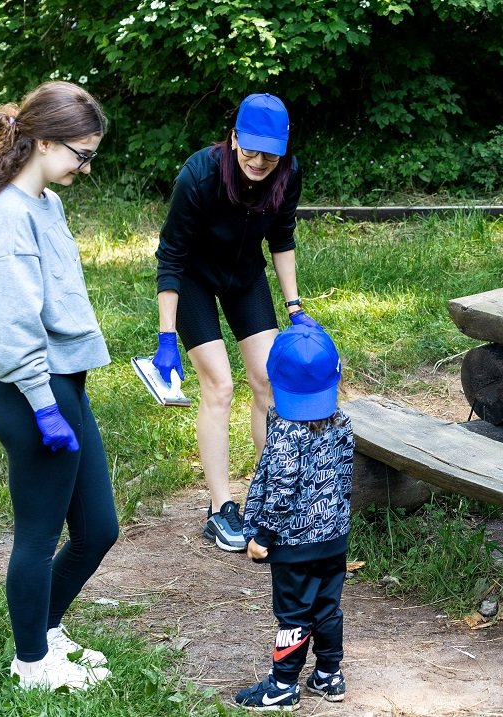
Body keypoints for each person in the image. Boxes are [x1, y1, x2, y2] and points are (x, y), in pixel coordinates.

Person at [0, 81, 117, 691]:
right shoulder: (9, 219)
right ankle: (31, 663)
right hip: (33, 397)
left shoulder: (46, 203)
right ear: (44, 142)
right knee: (39, 536)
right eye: (81, 153)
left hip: (65, 389)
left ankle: (45, 629)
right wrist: (46, 407)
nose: (86, 166)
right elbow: (11, 326)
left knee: (98, 530)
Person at [152, 93, 320, 552]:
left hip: (244, 275)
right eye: (251, 151)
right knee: (220, 385)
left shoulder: (288, 173)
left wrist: (295, 307)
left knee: (268, 379)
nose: (259, 162)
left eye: (271, 155)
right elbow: (170, 256)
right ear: (233, 139)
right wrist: (167, 336)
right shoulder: (199, 174)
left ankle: (268, 498)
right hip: (193, 279)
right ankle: (220, 507)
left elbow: (282, 239)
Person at [235, 325, 353, 710]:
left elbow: (282, 490)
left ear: (274, 377)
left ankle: (283, 685)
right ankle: (329, 674)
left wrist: (263, 537)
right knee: (327, 608)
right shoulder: (343, 422)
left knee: (293, 614)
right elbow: (344, 478)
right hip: (333, 537)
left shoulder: (287, 431)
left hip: (291, 544)